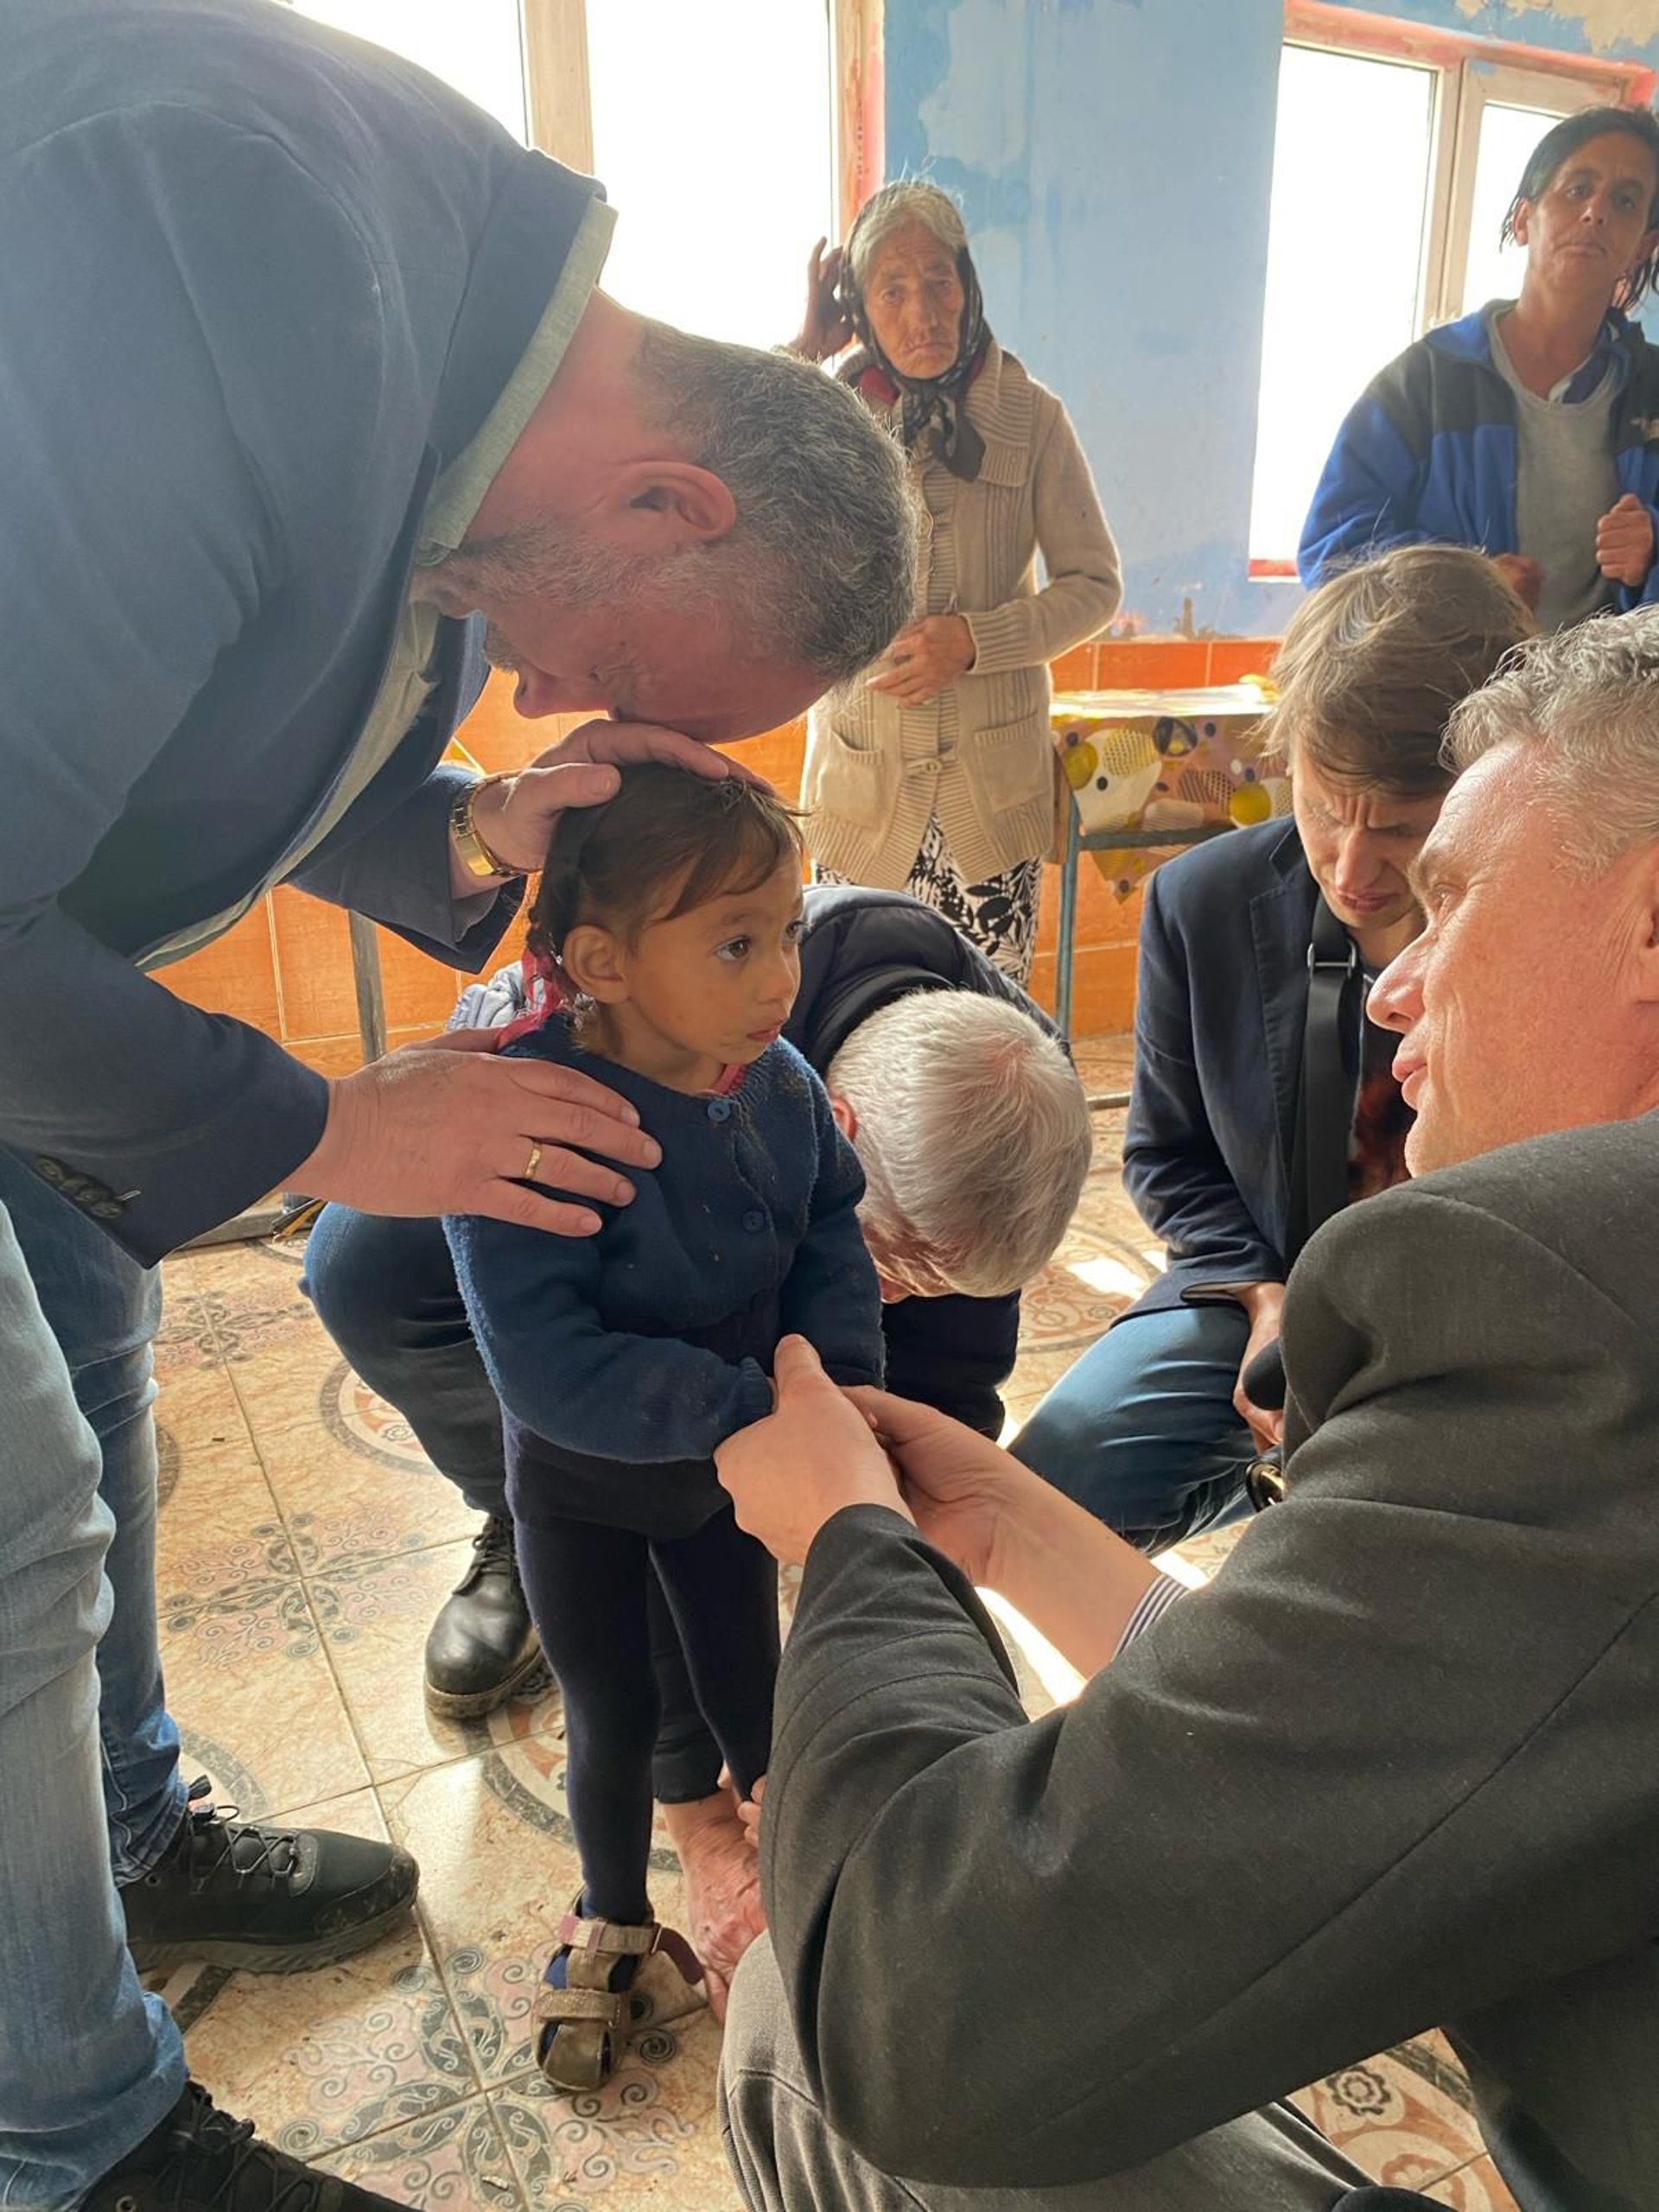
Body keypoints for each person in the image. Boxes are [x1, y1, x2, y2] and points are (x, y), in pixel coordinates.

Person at [0, 3, 915, 2206]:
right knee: (19, 1509)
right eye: (644, 695)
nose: (586, 713)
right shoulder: (213, 244)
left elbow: (214, 691)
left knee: (93, 1379)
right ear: (669, 498)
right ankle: (73, 2133)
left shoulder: (468, 392)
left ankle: (119, 1827)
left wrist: (472, 824)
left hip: (54, 1012)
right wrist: (327, 1123)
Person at [713, 601, 1659, 2209]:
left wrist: (857, 1549)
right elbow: (1435, 1716)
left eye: (1448, 895)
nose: (1395, 986)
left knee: (802, 2034)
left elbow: (928, 2013)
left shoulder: (1568, 1315)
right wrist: (1005, 1528)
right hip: (1239, 1299)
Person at [302, 882, 1090, 2009]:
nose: (908, 1300)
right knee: (624, 1479)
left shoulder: (1007, 1087)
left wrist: (887, 1574)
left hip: (796, 1208)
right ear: (841, 1140)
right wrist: (707, 1820)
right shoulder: (664, 1033)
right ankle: (516, 1533)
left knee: (768, 1479)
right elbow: (632, 1424)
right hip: (498, 1240)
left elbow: (953, 1378)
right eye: (898, 1268)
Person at [444, 766, 884, 2091]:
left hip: (721, 1487)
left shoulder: (781, 1085)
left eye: (791, 933)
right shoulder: (526, 1117)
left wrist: (840, 1381)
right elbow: (544, 1364)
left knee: (759, 1695)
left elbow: (826, 1230)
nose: (779, 978)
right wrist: (758, 1411)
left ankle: (800, 1903)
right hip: (581, 1487)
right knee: (612, 1714)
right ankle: (610, 1922)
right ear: (602, 961)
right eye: (737, 942)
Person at [1012, 546, 1532, 1549]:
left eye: (1404, 829)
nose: (1352, 867)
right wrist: (1266, 1298)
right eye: (1327, 806)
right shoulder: (1198, 902)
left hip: (1479, 1321)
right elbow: (1168, 1160)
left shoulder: (1550, 923)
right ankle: (1285, 1486)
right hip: (1272, 1289)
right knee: (1051, 1492)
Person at [791, 181, 1122, 982]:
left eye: (939, 281)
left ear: (968, 285)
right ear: (860, 308)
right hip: (861, 799)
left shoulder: (1033, 416)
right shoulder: (830, 414)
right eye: (892, 290)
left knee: (985, 1035)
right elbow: (735, 498)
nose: (922, 313)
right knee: (854, 1019)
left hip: (989, 805)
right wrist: (803, 355)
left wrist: (978, 639)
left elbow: (1095, 585)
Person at [1301, 105, 1659, 631]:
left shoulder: (1652, 391)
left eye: (1625, 201)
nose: (1596, 212)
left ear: (1643, 246)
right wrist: (1465, 583)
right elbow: (1331, 553)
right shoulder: (1425, 382)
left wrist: (1653, 549)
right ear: (1523, 219)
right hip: (1447, 701)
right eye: (1577, 189)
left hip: (1607, 705)